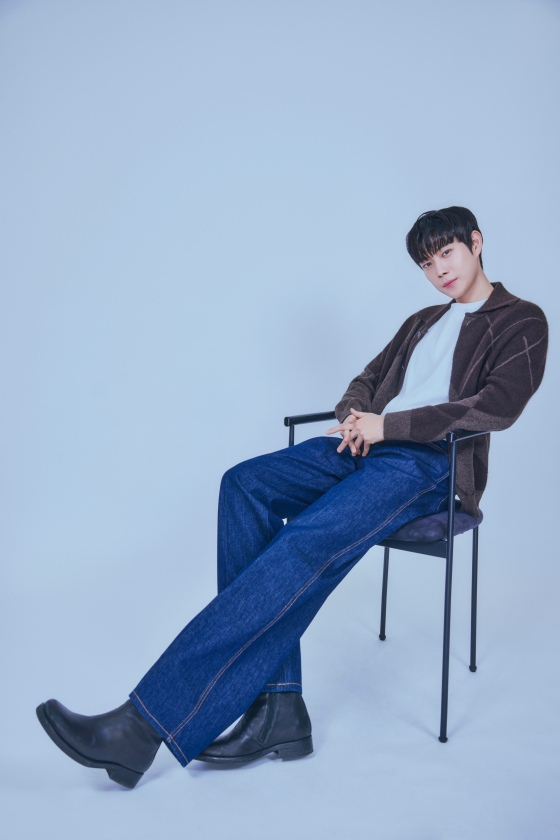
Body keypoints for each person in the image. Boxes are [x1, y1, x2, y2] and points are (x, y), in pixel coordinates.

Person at [36, 207, 548, 789]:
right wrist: (355, 417)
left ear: (476, 242)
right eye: (428, 265)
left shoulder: (522, 321)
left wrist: (391, 426)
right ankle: (279, 708)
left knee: (304, 540)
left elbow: (496, 408)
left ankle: (143, 725)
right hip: (366, 446)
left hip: (429, 464)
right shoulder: (423, 321)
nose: (439, 271)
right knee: (244, 484)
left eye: (447, 254)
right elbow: (367, 379)